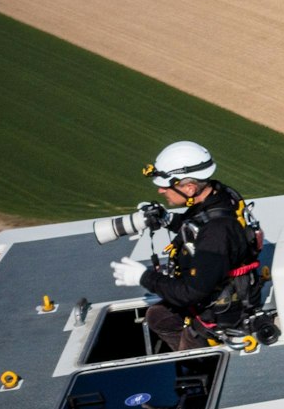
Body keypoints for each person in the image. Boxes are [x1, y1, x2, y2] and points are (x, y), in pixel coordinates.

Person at [108, 141, 268, 352]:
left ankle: (193, 357)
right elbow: (197, 226)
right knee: (158, 317)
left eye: (166, 186)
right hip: (218, 291)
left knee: (190, 344)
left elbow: (190, 293)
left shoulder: (217, 232)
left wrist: (143, 277)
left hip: (221, 314)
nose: (160, 190)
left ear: (190, 187)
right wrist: (167, 220)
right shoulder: (218, 195)